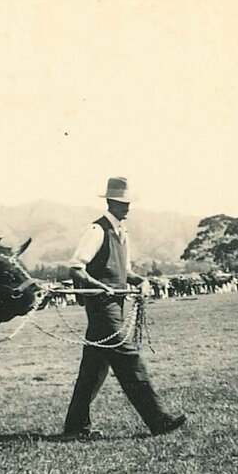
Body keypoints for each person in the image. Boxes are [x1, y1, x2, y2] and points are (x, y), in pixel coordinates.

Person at [63, 177, 186, 440]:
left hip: (116, 306)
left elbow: (125, 272)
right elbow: (76, 268)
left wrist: (141, 281)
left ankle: (75, 426)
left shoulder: (123, 234)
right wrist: (99, 286)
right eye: (122, 203)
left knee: (93, 370)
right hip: (102, 307)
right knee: (129, 359)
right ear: (110, 202)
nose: (127, 207)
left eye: (128, 203)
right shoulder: (96, 231)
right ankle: (159, 420)